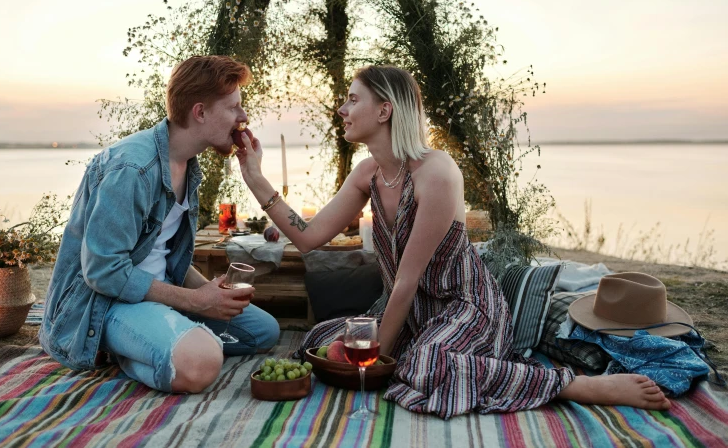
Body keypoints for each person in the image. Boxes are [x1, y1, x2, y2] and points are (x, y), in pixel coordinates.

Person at [235, 65, 672, 419]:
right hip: (412, 313)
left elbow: (405, 281)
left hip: (467, 308)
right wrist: (255, 177)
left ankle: (576, 385)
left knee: (421, 366)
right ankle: (413, 355)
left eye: (353, 99)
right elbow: (308, 238)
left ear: (385, 111)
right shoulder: (367, 173)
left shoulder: (437, 173)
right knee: (319, 339)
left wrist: (378, 363)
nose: (341, 107)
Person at [40, 55, 280, 393]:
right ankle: (122, 349)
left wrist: (209, 290)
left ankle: (160, 341)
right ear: (200, 112)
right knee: (202, 363)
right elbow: (103, 272)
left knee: (263, 332)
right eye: (233, 107)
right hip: (105, 305)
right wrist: (196, 302)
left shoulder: (187, 165)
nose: (244, 118)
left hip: (158, 296)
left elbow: (162, 255)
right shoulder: (133, 169)